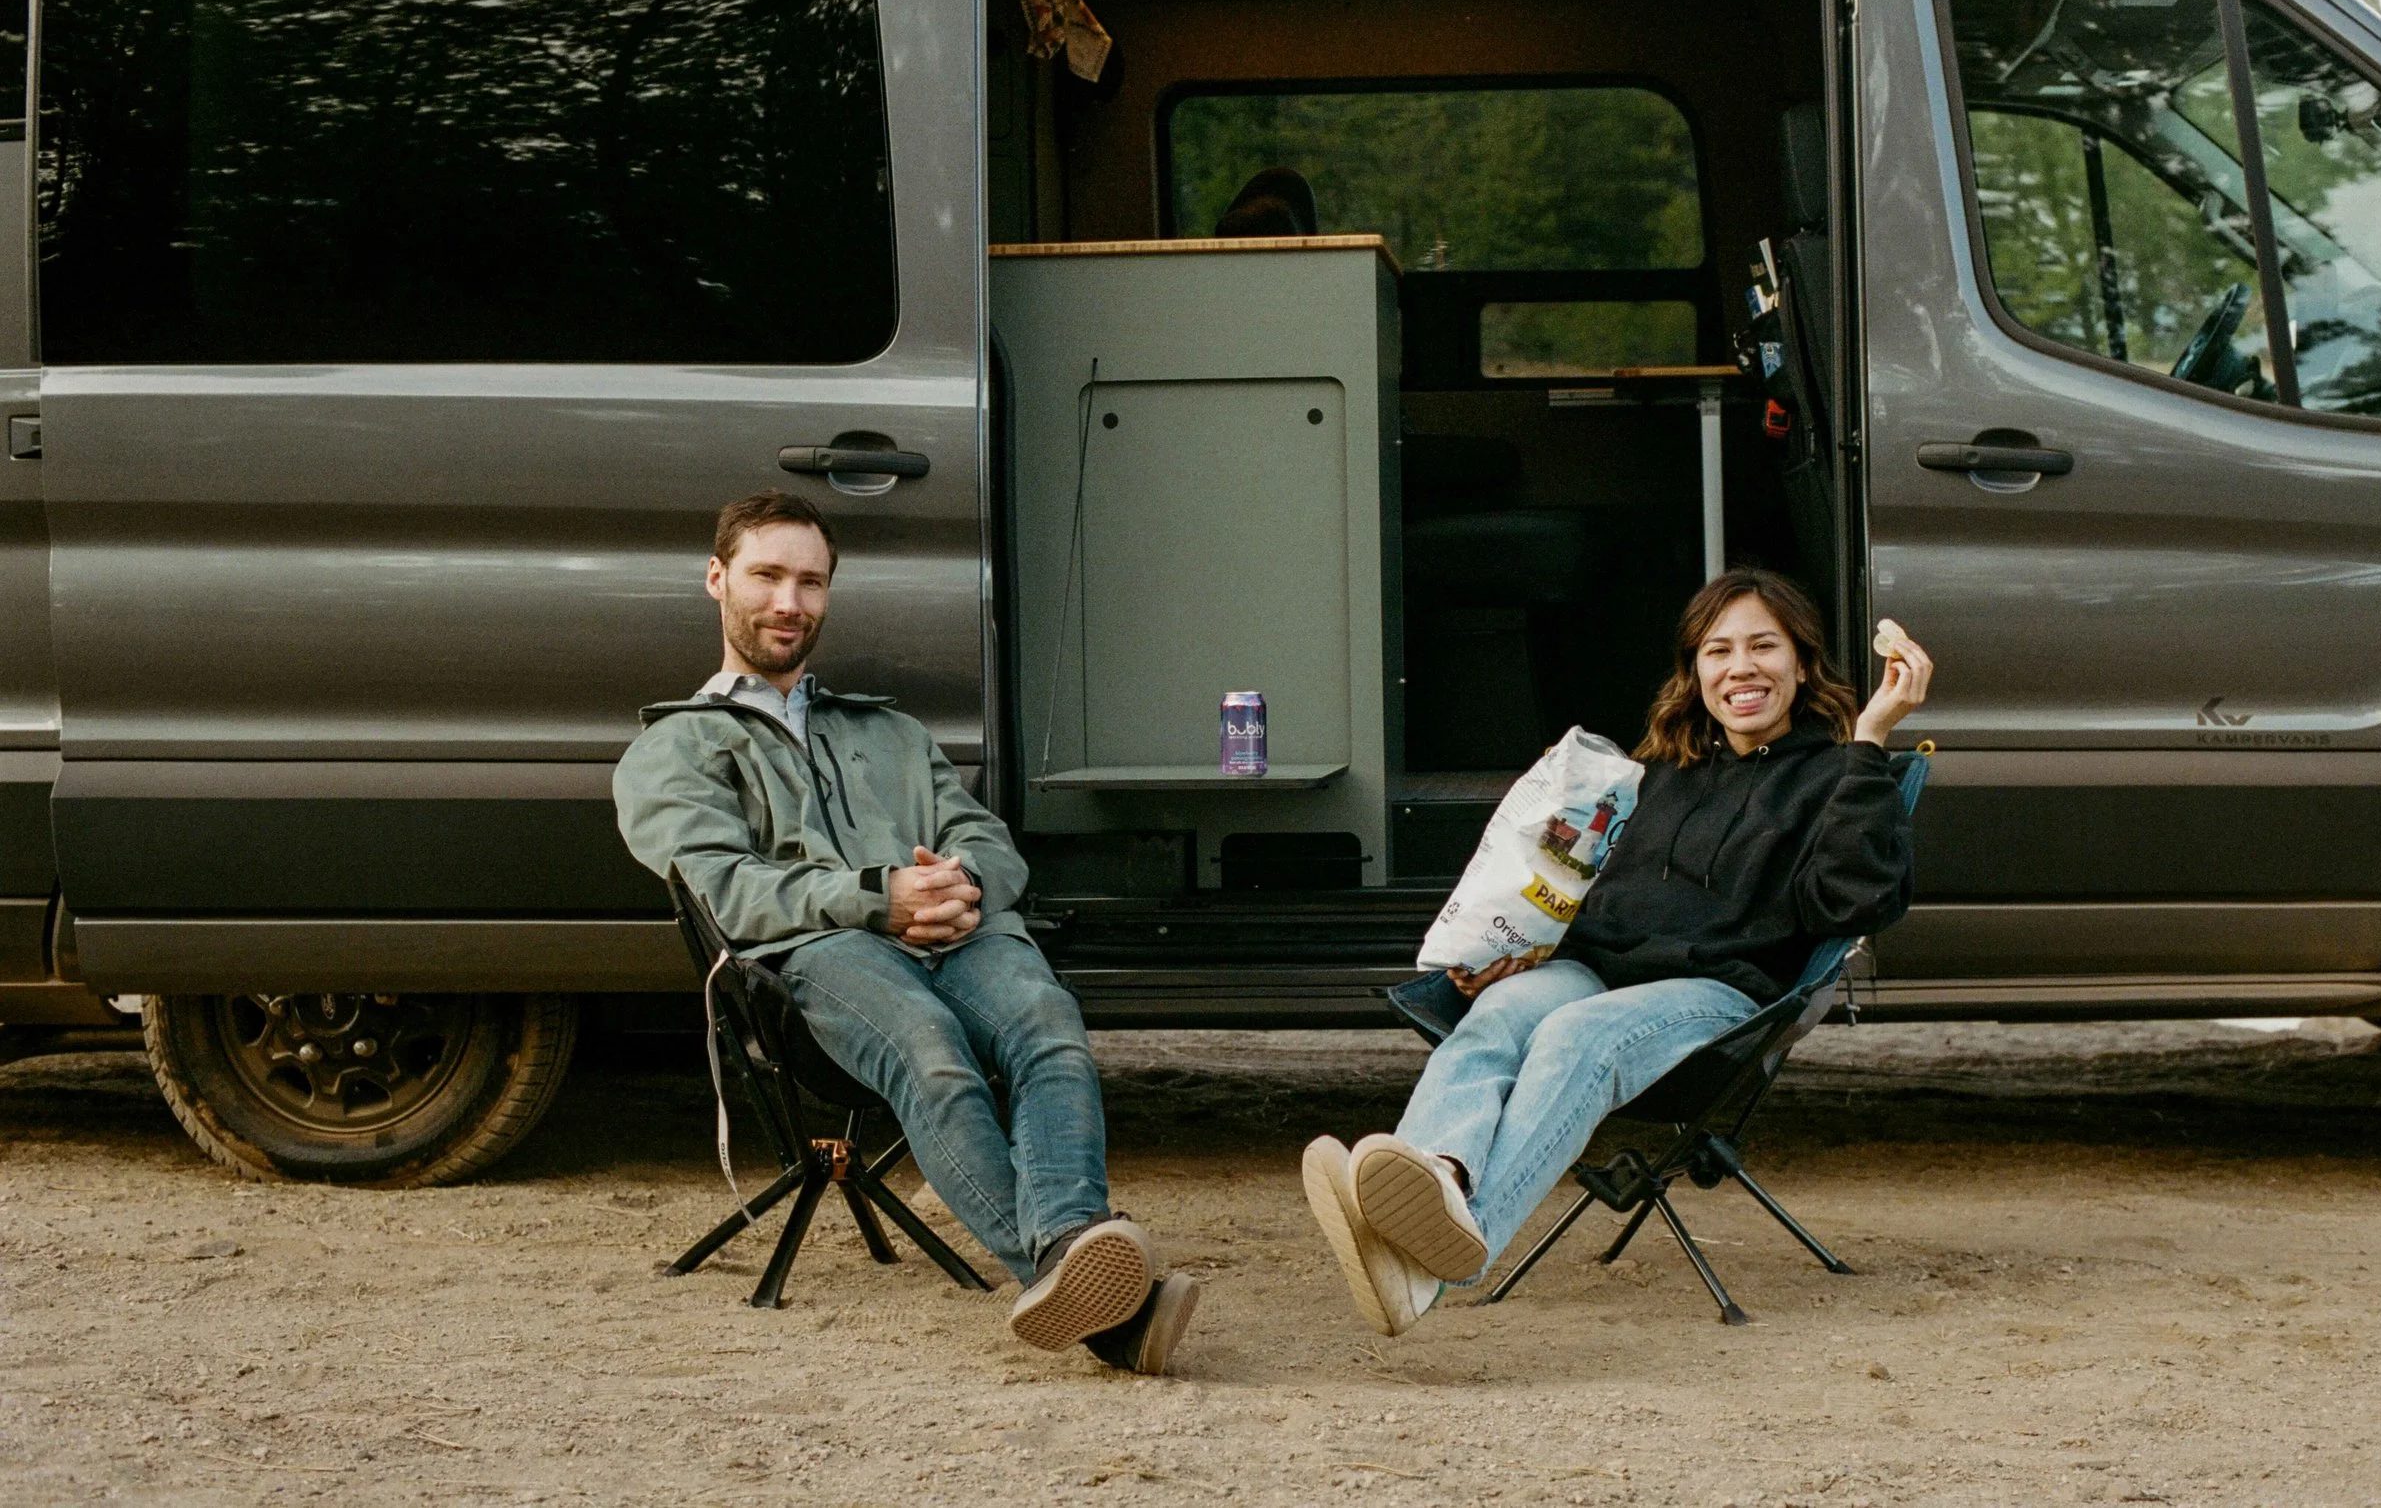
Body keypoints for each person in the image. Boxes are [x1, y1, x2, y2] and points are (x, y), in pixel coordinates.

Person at [614, 491, 1197, 1373]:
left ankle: (1072, 1251)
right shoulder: (674, 749)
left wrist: (957, 885)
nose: (788, 603)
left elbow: (986, 840)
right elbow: (726, 890)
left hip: (959, 935)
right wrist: (875, 897)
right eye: (767, 576)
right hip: (819, 957)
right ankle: (1087, 1288)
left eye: (811, 583)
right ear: (717, 579)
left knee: (1049, 1026)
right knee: (931, 1052)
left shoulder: (886, 728)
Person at [1304, 569, 1932, 1335]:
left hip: (1718, 999)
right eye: (1718, 651)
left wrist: (1872, 739)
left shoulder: (1838, 776)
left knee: (1576, 1034)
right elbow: (1581, 896)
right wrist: (1523, 951)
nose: (1741, 668)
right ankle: (1440, 1173)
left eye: (1764, 646)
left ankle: (1458, 1248)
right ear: (1694, 671)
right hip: (1597, 970)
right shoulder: (1659, 774)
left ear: (1803, 664)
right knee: (1502, 1012)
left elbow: (1856, 903)